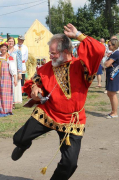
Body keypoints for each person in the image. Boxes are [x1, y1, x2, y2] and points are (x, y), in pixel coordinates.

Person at [11, 23, 105, 180]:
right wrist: (35, 89)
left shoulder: (81, 67)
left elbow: (99, 50)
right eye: (50, 53)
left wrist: (79, 36)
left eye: (53, 53)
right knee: (18, 138)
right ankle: (23, 145)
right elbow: (33, 83)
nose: (50, 56)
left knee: (70, 163)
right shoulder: (47, 67)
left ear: (66, 52)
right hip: (48, 113)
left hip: (72, 121)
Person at [104, 39, 119, 118]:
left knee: (112, 94)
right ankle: (113, 111)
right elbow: (105, 64)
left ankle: (115, 112)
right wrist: (107, 62)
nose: (108, 46)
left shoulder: (116, 53)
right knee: (110, 93)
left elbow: (106, 64)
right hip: (111, 75)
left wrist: (108, 62)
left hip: (114, 75)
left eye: (109, 45)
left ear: (114, 45)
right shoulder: (113, 53)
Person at [7, 37, 23, 106]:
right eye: (9, 41)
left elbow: (19, 62)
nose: (10, 43)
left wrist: (19, 72)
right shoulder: (5, 51)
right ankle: (8, 101)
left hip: (15, 71)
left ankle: (13, 102)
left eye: (12, 41)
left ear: (14, 42)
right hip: (6, 71)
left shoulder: (17, 51)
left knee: (14, 85)